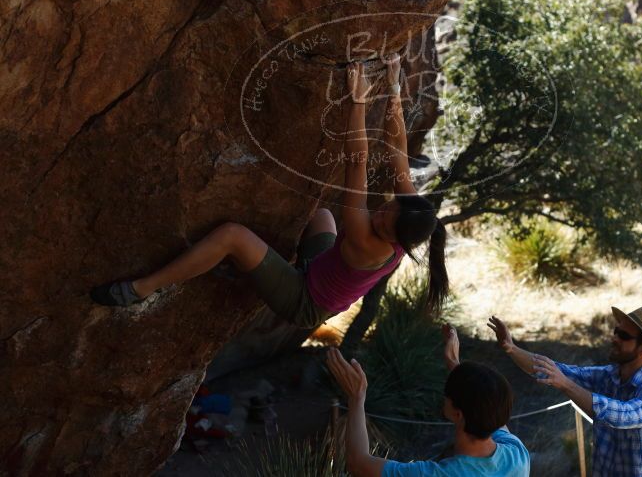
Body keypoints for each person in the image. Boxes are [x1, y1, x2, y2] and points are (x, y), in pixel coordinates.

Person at [91, 54, 449, 328]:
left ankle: (143, 288)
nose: (381, 213)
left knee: (232, 236)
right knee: (320, 214)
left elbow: (357, 162)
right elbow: (396, 147)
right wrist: (394, 85)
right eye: (388, 208)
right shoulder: (409, 212)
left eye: (385, 222)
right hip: (319, 267)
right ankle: (262, 265)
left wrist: (356, 103)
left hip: (304, 301)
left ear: (393, 238)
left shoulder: (368, 243)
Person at [488, 305, 642, 477]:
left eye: (624, 336)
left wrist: (565, 384)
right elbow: (551, 370)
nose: (614, 338)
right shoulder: (607, 375)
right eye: (616, 331)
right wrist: (511, 348)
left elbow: (625, 416)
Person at [325, 324, 530, 477]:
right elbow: (487, 405)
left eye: (448, 395)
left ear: (458, 414)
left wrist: (356, 397)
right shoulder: (517, 455)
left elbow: (358, 464)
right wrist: (455, 365)